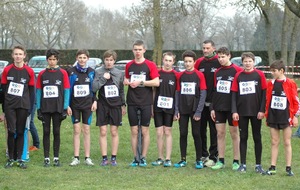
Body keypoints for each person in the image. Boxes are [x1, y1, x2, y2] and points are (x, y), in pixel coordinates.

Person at [123, 40, 160, 167]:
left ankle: (143, 157)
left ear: (144, 50)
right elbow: (126, 78)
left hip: (146, 101)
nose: (137, 52)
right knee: (134, 130)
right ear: (132, 50)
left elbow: (156, 82)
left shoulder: (150, 65)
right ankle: (135, 158)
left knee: (144, 131)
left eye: (140, 49)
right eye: (135, 49)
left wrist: (141, 83)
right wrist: (126, 82)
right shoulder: (129, 65)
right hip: (132, 101)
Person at [231, 52, 267, 174]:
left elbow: (264, 94)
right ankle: (243, 164)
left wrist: (262, 110)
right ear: (242, 62)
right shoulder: (238, 76)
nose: (247, 63)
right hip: (242, 112)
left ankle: (258, 165)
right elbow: (234, 95)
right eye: (245, 61)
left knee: (257, 137)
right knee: (243, 137)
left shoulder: (260, 75)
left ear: (253, 62)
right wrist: (234, 111)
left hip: (256, 112)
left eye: (249, 61)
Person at [1, 45, 35, 169]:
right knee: (11, 131)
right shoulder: (7, 70)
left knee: (21, 131)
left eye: (20, 54)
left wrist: (30, 109)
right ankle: (10, 158)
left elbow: (32, 92)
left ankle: (20, 158)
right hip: (10, 106)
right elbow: (3, 91)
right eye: (16, 54)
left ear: (24, 56)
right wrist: (4, 110)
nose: (18, 56)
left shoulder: (29, 71)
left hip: (23, 106)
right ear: (12, 56)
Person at [36, 48, 70, 167]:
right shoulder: (41, 74)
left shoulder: (63, 73)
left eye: (54, 59)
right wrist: (38, 108)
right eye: (50, 59)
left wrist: (65, 107)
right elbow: (39, 91)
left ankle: (56, 158)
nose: (52, 62)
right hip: (45, 107)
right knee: (46, 131)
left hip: (58, 107)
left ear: (57, 60)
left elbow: (66, 90)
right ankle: (46, 158)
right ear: (47, 60)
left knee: (56, 131)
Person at [264, 60, 299, 176]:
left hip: (286, 117)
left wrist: (295, 116)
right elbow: (267, 100)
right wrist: (266, 113)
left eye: (274, 71)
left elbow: (295, 100)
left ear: (281, 71)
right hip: (273, 116)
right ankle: (272, 167)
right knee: (274, 142)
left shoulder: (290, 83)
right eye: (271, 71)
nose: (272, 73)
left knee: (287, 142)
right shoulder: (270, 83)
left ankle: (288, 168)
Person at [210, 47, 242, 170]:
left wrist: (237, 109)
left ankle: (236, 161)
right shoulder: (217, 72)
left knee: (234, 133)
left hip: (232, 109)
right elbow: (214, 90)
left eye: (223, 57)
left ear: (229, 56)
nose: (221, 59)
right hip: (219, 108)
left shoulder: (237, 70)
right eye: (219, 57)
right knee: (220, 133)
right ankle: (221, 160)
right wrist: (212, 108)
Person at [173, 50, 207, 169]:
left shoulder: (199, 75)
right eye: (185, 61)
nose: (187, 64)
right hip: (183, 109)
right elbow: (177, 93)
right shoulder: (180, 76)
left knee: (196, 133)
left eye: (190, 61)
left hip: (194, 110)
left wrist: (199, 111)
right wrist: (176, 110)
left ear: (194, 62)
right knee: (183, 133)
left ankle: (199, 159)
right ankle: (183, 159)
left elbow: (203, 93)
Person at [92, 50, 126, 166]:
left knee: (114, 131)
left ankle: (113, 158)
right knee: (103, 131)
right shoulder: (98, 72)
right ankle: (104, 158)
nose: (109, 62)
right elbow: (94, 88)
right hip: (102, 104)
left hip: (115, 105)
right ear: (104, 60)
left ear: (114, 61)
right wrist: (103, 79)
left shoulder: (119, 73)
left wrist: (123, 104)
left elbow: (121, 90)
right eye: (107, 60)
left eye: (111, 60)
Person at [68, 49, 97, 166]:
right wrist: (67, 105)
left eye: (84, 58)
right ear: (76, 58)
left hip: (87, 105)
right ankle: (76, 157)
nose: (82, 60)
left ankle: (87, 157)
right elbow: (67, 89)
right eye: (80, 57)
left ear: (88, 59)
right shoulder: (70, 71)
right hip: (74, 105)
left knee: (86, 129)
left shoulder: (91, 72)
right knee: (76, 130)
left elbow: (94, 89)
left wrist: (95, 101)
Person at [194, 40, 220, 167]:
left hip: (214, 103)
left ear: (213, 48)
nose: (205, 50)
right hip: (200, 102)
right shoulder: (199, 62)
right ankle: (203, 154)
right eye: (203, 48)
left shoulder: (218, 61)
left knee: (214, 130)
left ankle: (213, 155)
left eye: (207, 48)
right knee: (200, 129)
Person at [151, 52, 177, 167]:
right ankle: (160, 157)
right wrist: (152, 106)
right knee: (159, 132)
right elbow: (153, 91)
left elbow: (177, 93)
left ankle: (168, 158)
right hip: (158, 107)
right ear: (162, 60)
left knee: (168, 131)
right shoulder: (158, 74)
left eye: (170, 61)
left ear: (173, 62)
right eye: (166, 60)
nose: (167, 63)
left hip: (170, 107)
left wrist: (176, 110)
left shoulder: (176, 75)